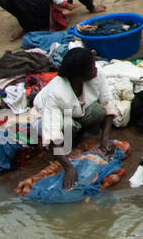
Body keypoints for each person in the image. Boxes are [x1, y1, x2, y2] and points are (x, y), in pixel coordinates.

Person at [33, 47, 115, 191]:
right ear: (79, 75)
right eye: (91, 68)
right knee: (68, 126)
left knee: (97, 111)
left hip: (77, 112)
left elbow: (108, 104)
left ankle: (78, 137)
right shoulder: (57, 92)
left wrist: (105, 138)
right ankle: (60, 149)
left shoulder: (97, 76)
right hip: (45, 118)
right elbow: (52, 133)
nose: (95, 69)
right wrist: (69, 168)